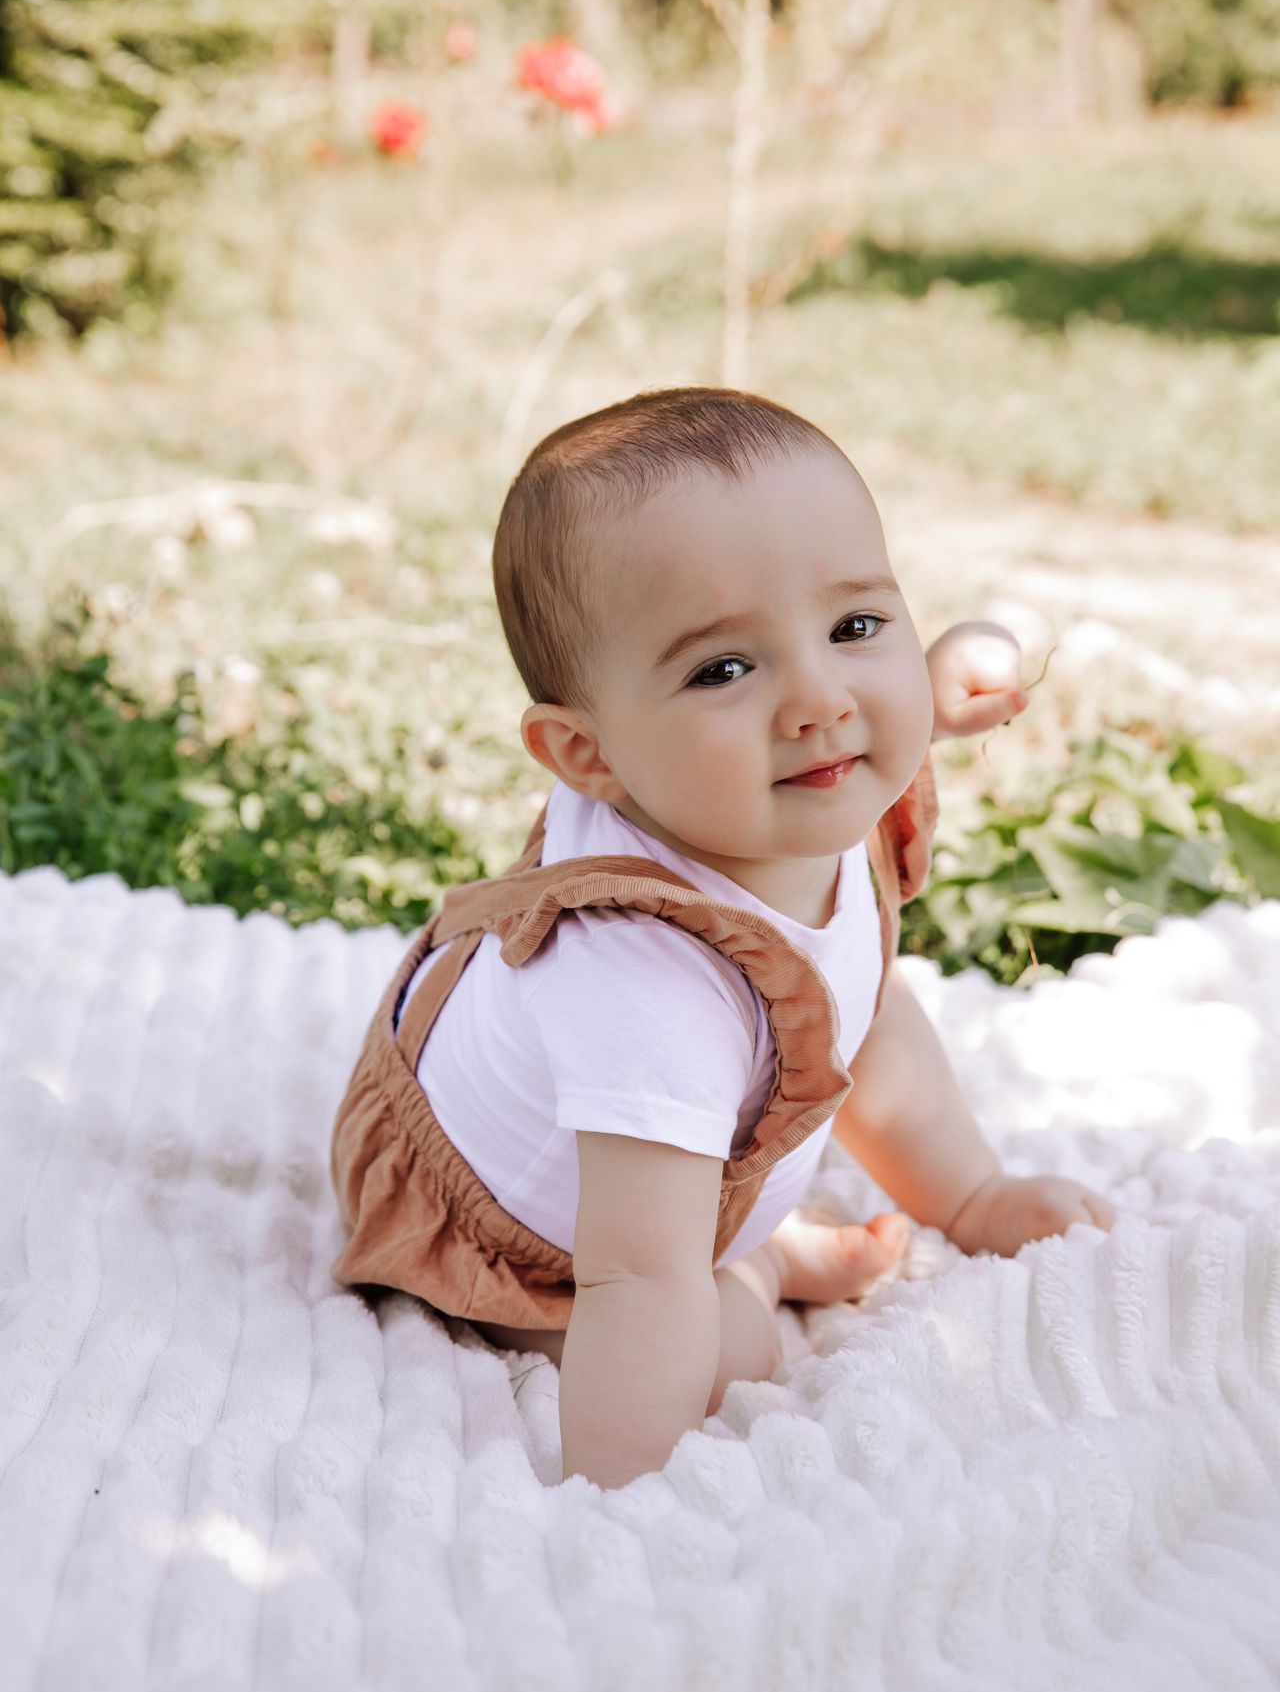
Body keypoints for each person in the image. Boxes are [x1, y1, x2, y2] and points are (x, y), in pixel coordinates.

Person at [330, 387, 1116, 1490]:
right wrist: (627, 1502)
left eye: (853, 627)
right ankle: (753, 1267)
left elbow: (862, 991)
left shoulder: (781, 787)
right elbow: (633, 1284)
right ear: (585, 755)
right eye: (721, 670)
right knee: (722, 1342)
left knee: (860, 1005)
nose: (819, 703)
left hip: (662, 1167)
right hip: (538, 1236)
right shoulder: (645, 985)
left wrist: (950, 675)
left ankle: (941, 1197)